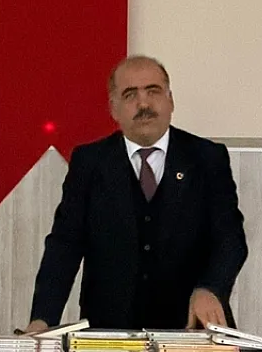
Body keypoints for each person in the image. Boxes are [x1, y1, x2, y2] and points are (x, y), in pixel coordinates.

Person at [25, 56, 248, 333]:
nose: (144, 104)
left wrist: (211, 288)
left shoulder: (207, 158)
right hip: (109, 333)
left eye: (153, 91)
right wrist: (42, 318)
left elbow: (230, 239)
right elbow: (64, 246)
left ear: (170, 101)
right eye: (130, 95)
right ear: (113, 109)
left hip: (192, 329)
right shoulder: (89, 162)